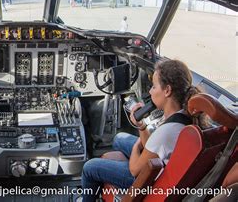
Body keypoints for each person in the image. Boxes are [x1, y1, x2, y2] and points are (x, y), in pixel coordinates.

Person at [81, 60, 202, 202]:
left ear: (167, 91)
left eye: (154, 87)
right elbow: (154, 146)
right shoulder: (184, 116)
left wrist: (135, 148)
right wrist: (141, 126)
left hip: (150, 182)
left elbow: (135, 170)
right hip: (164, 164)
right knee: (119, 138)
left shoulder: (166, 132)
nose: (150, 91)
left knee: (90, 167)